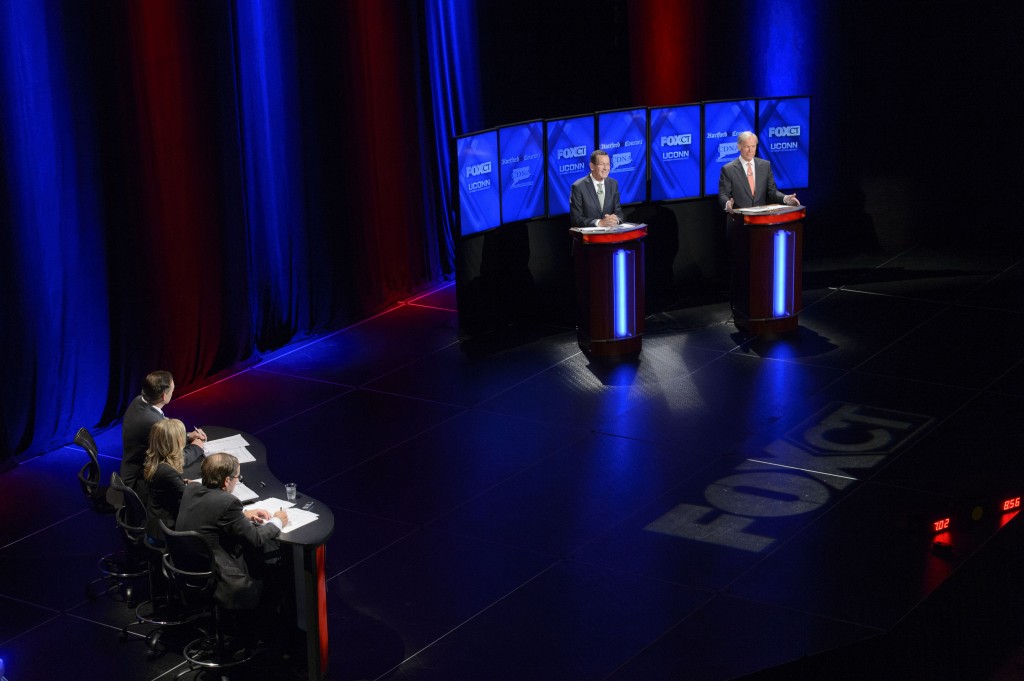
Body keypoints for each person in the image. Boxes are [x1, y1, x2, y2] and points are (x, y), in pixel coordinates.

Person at [176, 452, 288, 611]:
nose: (237, 481)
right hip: (217, 577)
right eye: (237, 477)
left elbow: (210, 513)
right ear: (227, 480)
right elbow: (256, 538)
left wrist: (243, 515)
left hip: (186, 567)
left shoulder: (191, 489)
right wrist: (277, 521)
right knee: (273, 571)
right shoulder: (228, 502)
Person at [121, 370, 206, 499]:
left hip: (131, 468)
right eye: (172, 390)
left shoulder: (139, 401)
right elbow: (174, 461)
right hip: (141, 481)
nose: (173, 392)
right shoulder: (153, 423)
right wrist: (196, 447)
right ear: (164, 396)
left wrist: (188, 436)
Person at [718, 131, 799, 212]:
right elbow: (723, 194)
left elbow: (772, 192)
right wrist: (727, 203)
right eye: (747, 146)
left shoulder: (765, 165)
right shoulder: (728, 169)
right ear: (739, 146)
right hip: (739, 219)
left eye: (753, 146)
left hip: (761, 218)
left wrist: (785, 199)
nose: (750, 150)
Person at [143, 418, 190, 538]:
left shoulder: (157, 461)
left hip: (156, 521)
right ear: (179, 440)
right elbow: (188, 498)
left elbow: (170, 488)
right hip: (164, 532)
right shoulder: (166, 471)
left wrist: (181, 483)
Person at [570, 150, 624, 228]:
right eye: (602, 164)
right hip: (589, 238)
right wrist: (599, 223)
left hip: (611, 236)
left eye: (608, 164)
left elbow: (619, 212)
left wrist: (615, 219)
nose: (606, 168)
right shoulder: (578, 187)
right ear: (592, 166)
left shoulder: (613, 184)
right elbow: (576, 219)